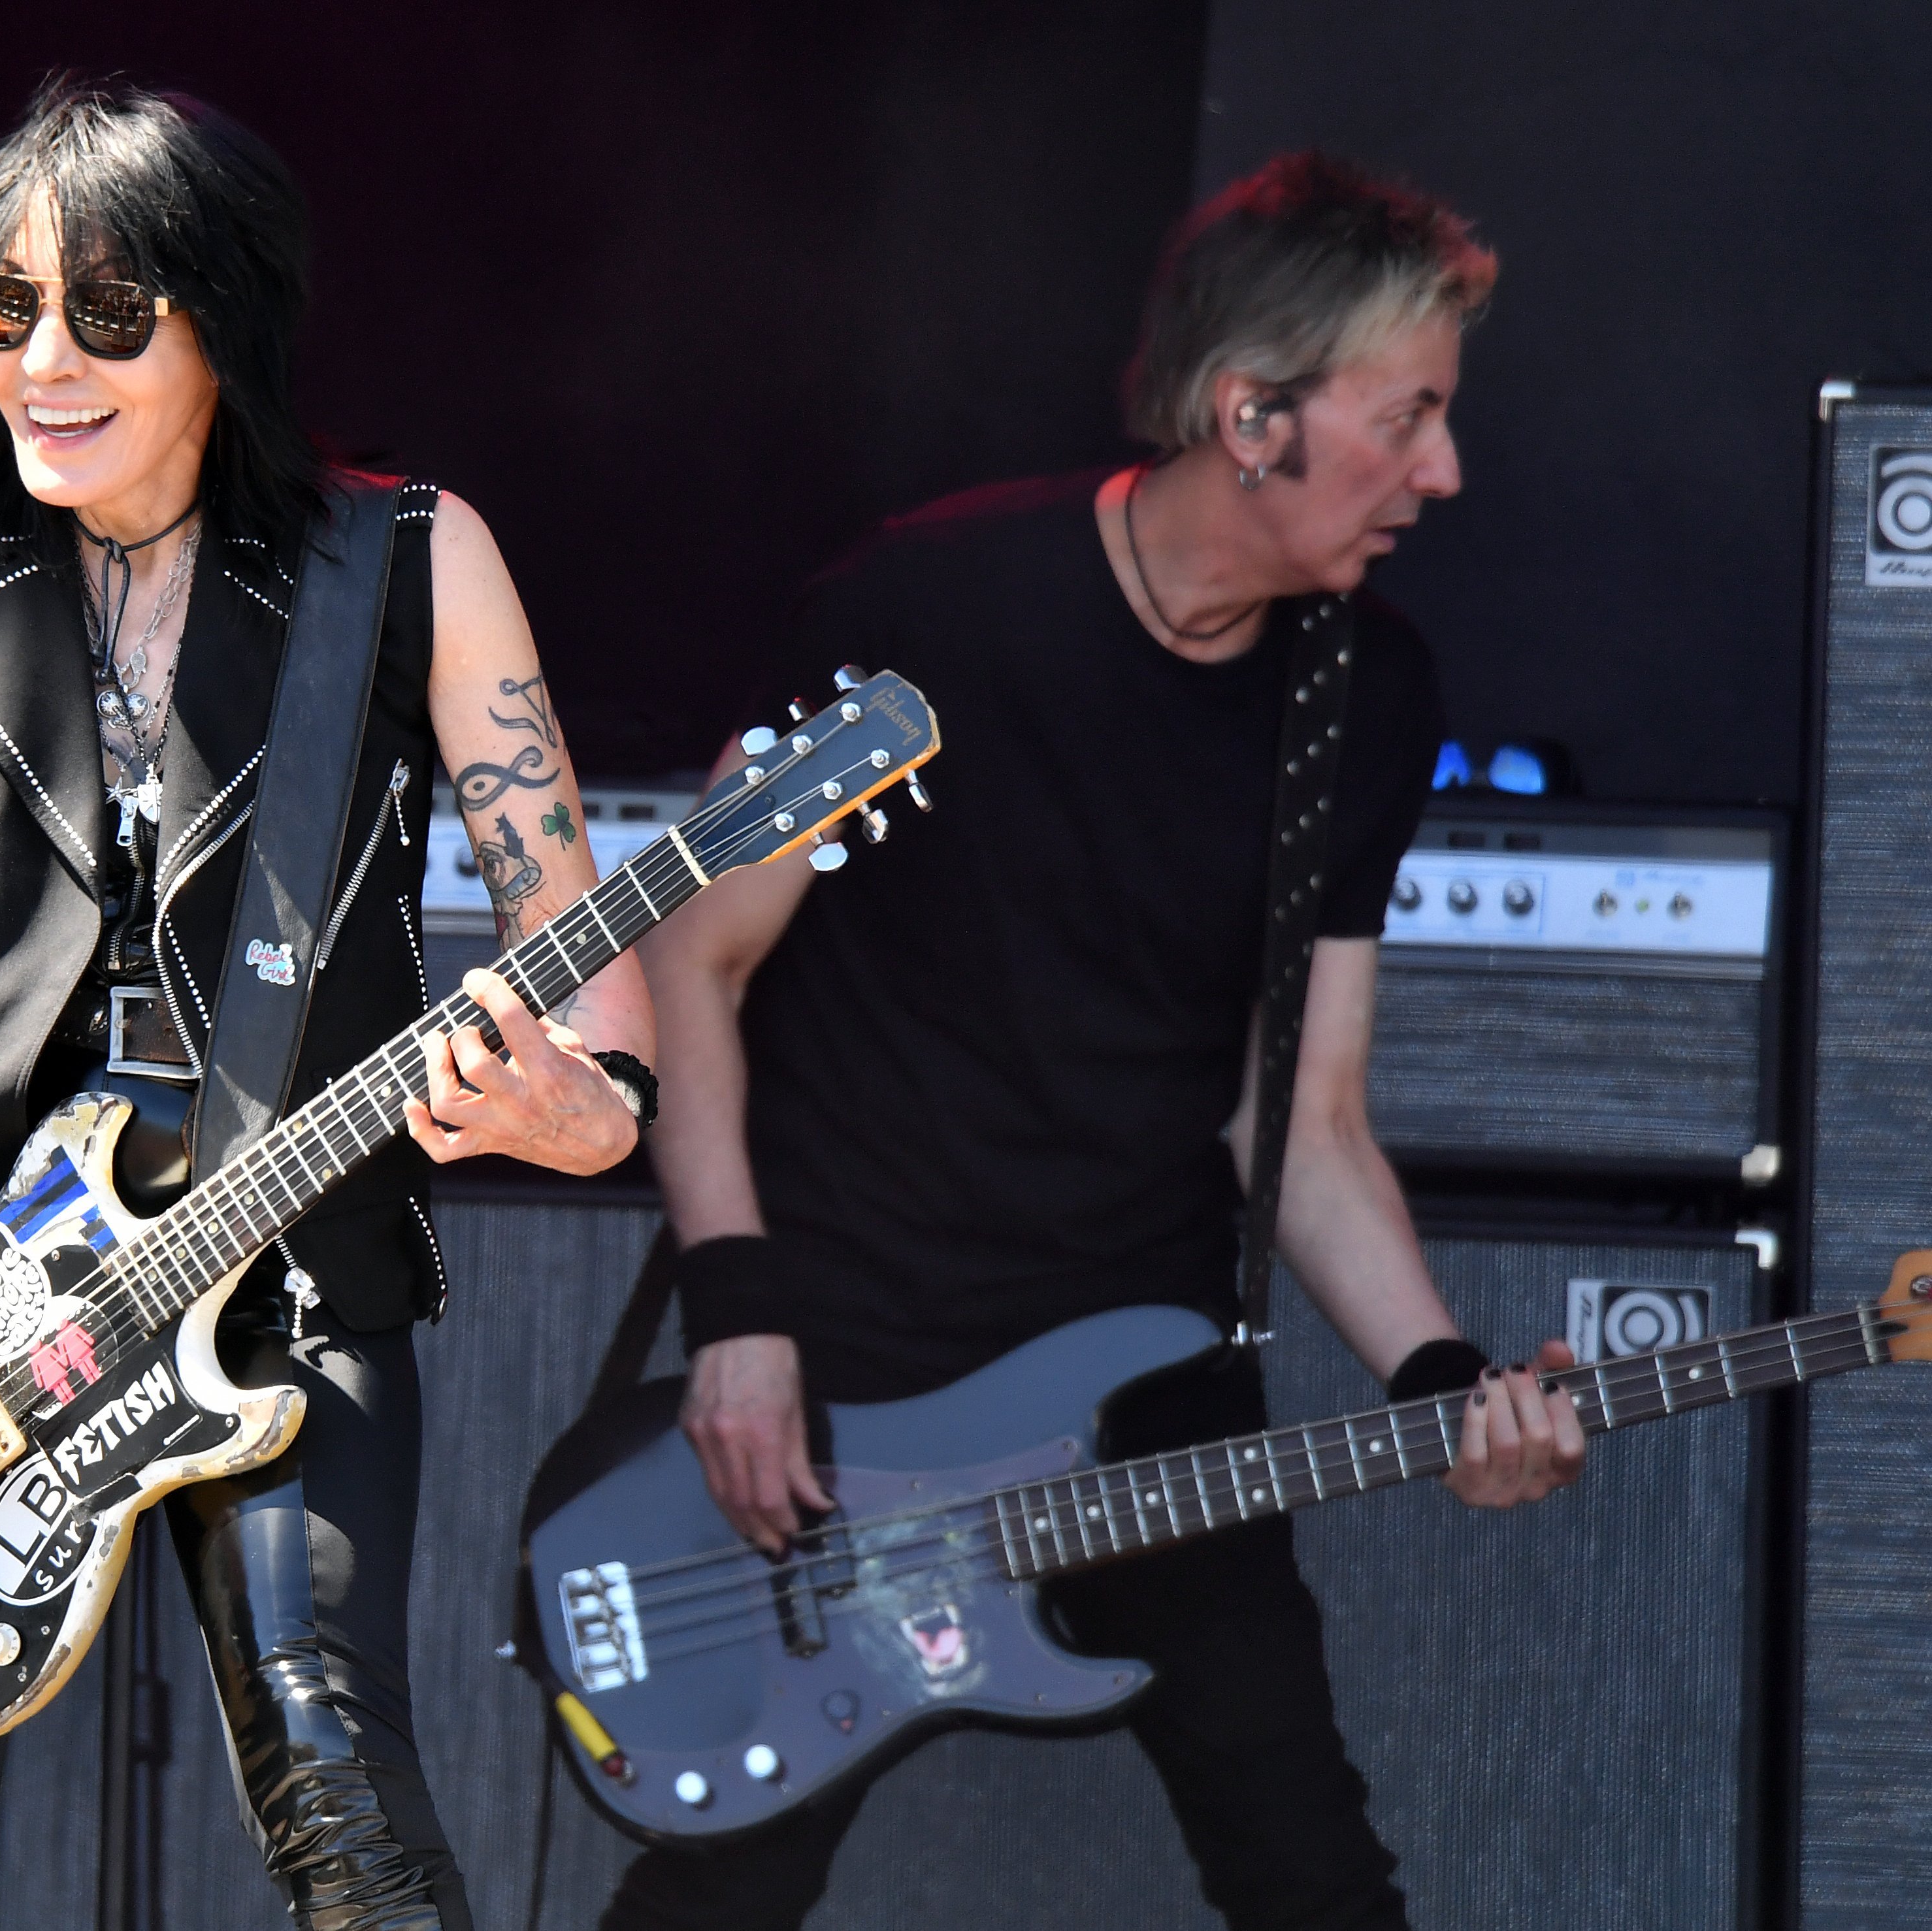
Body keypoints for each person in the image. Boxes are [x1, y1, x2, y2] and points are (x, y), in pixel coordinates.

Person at [0, 79, 653, 1930]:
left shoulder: (402, 559)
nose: (42, 366)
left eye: (106, 315)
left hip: (288, 1275)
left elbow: (582, 938)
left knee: (339, 1785)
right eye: (3, 317)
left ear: (222, 323)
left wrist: (589, 1107)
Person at [612, 154, 1584, 1931]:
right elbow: (698, 962)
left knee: (1312, 1872)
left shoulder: (1366, 696)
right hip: (854, 1369)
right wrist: (739, 1315)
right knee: (724, 1889)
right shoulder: (930, 612)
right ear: (1255, 414)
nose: (1444, 473)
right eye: (1412, 419)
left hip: (1146, 1384)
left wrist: (1443, 1379)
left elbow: (1307, 1115)